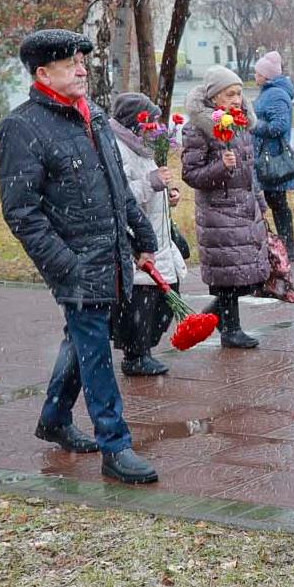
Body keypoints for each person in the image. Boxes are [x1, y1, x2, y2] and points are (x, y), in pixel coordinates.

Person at [0, 29, 162, 484]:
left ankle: (54, 418)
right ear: (42, 72)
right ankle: (117, 446)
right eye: (70, 62)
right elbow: (21, 212)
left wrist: (142, 234)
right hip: (75, 265)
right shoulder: (23, 127)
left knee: (84, 340)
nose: (81, 68)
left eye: (82, 61)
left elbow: (117, 188)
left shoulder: (94, 117)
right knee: (95, 353)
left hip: (110, 258)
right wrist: (65, 267)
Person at [179, 65, 268, 350]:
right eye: (230, 94)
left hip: (244, 207)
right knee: (228, 278)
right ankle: (230, 330)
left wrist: (260, 201)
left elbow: (249, 169)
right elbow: (191, 174)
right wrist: (220, 167)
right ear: (215, 97)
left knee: (245, 276)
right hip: (219, 211)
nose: (236, 99)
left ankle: (210, 318)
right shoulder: (198, 128)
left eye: (240, 93)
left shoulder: (239, 124)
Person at [110, 92, 186, 377]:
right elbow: (119, 196)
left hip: (157, 235)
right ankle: (136, 354)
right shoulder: (118, 149)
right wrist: (150, 184)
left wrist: (169, 194)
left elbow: (151, 189)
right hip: (137, 241)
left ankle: (144, 349)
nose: (155, 127)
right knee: (141, 300)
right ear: (134, 123)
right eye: (151, 122)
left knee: (165, 296)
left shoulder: (143, 149)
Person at [249, 51, 294, 262]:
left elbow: (279, 126)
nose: (255, 75)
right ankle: (282, 248)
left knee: (278, 204)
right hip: (267, 159)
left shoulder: (276, 94)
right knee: (275, 203)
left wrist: (253, 126)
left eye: (258, 72)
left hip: (274, 161)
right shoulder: (269, 91)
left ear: (266, 75)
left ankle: (287, 249)